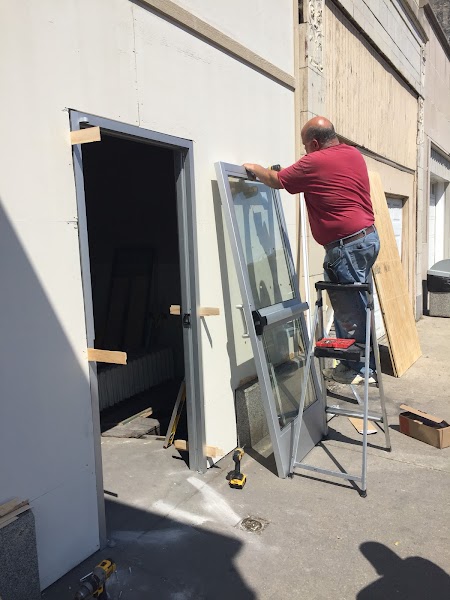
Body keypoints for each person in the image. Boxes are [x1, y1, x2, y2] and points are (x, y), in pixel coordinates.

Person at [243, 116, 379, 385]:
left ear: (315, 143)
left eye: (305, 145)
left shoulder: (314, 162)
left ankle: (358, 369)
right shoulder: (352, 154)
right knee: (355, 304)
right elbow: (317, 179)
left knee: (349, 310)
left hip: (346, 247)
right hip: (367, 239)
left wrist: (255, 168)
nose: (304, 151)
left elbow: (276, 180)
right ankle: (361, 364)